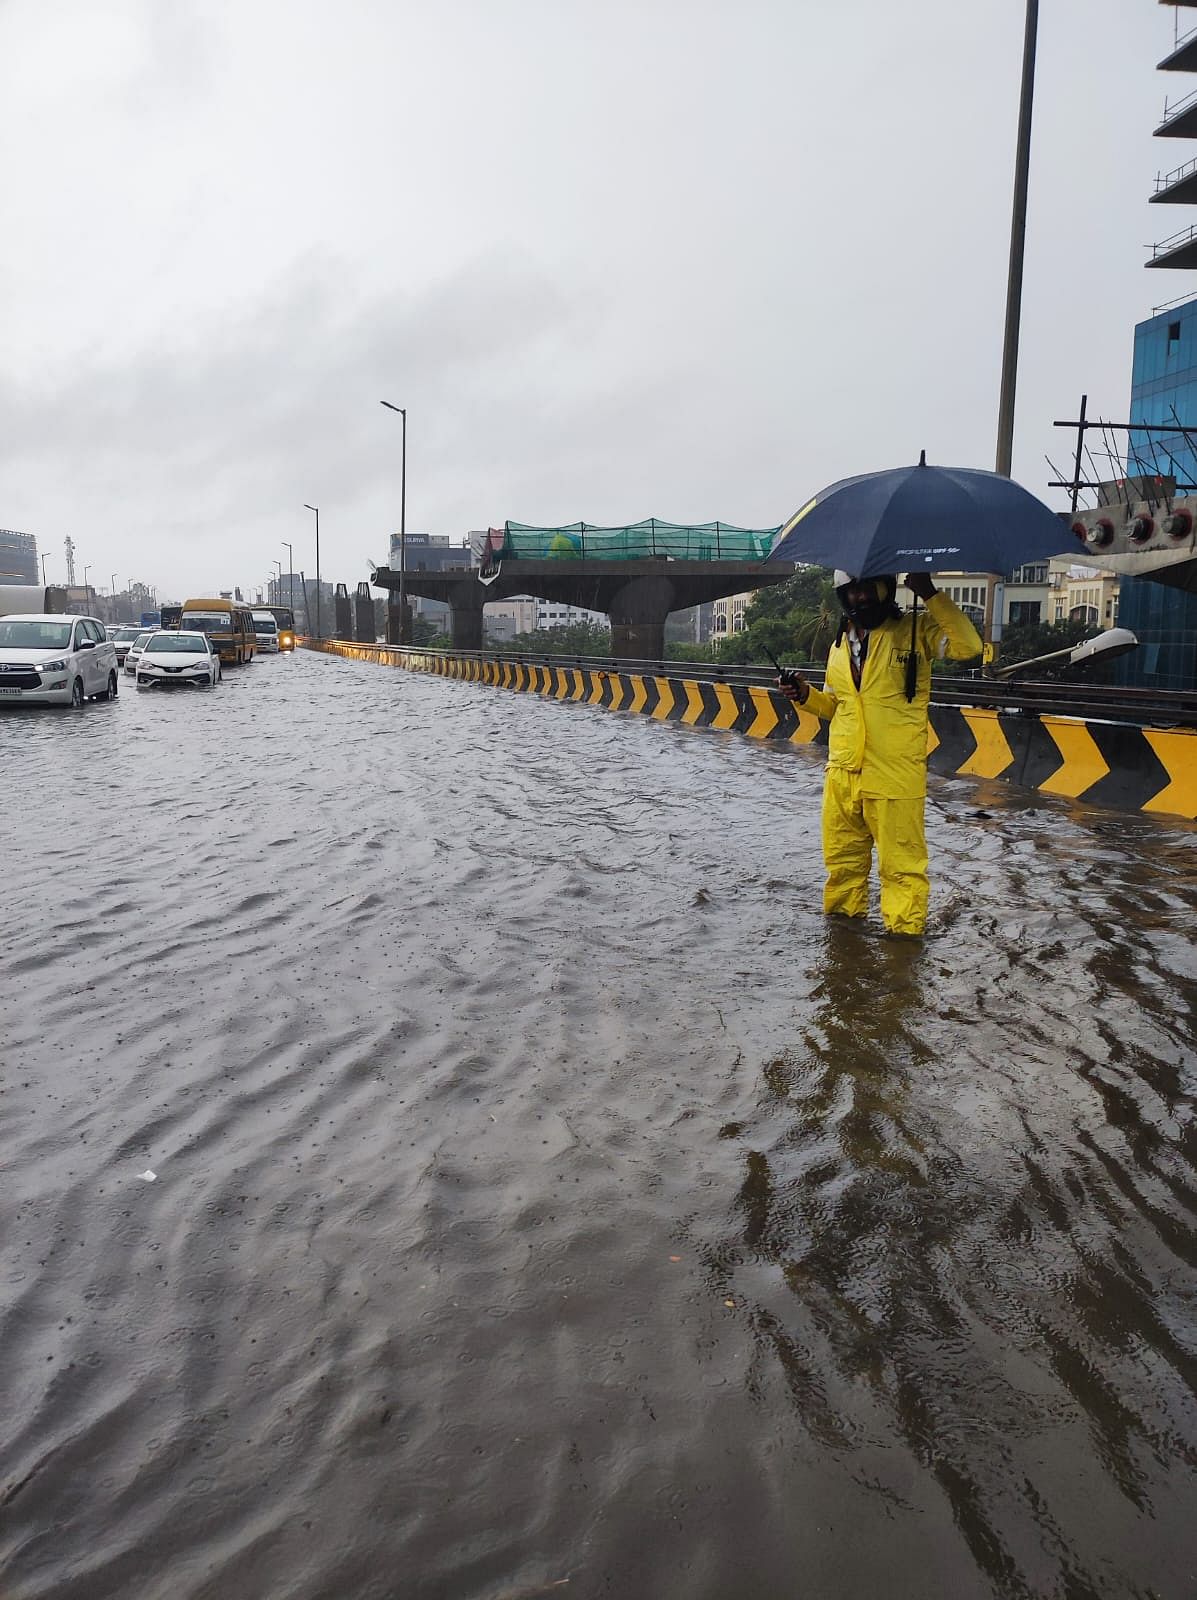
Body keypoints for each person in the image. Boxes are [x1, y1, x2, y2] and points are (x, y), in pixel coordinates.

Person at [778, 571, 982, 937]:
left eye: (867, 589)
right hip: (842, 775)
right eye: (852, 592)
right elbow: (836, 706)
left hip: (894, 777)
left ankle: (903, 955)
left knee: (902, 871)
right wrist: (805, 696)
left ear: (886, 589)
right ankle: (843, 945)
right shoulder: (839, 644)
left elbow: (969, 647)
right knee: (842, 867)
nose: (860, 598)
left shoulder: (916, 631)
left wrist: (931, 593)